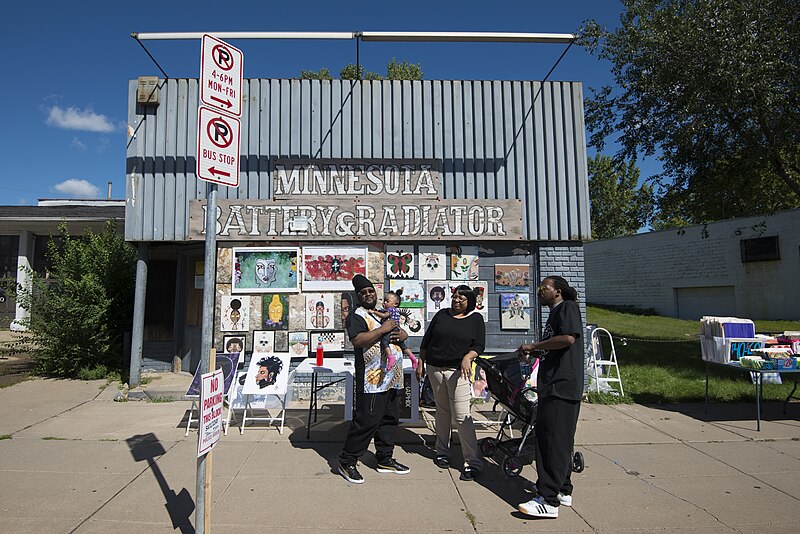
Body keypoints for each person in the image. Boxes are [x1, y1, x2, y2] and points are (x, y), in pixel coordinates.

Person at [516, 276, 584, 519]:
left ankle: (547, 500)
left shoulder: (567, 307)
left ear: (557, 291)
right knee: (561, 441)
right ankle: (563, 489)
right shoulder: (556, 312)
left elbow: (567, 339)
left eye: (543, 288)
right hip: (556, 385)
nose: (539, 291)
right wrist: (535, 352)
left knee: (550, 441)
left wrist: (534, 346)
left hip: (561, 386)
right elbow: (557, 346)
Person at [338, 274, 410, 484]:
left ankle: (384, 458)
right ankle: (347, 460)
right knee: (366, 421)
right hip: (372, 378)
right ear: (358, 296)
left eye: (370, 291)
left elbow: (397, 330)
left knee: (389, 419)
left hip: (392, 376)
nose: (368, 295)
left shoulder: (382, 314)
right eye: (363, 293)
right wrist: (383, 330)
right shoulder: (357, 315)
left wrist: (403, 334)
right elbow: (358, 340)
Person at [416, 285, 485, 481]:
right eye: (455, 297)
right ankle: (442, 452)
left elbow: (479, 345)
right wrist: (421, 363)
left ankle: (472, 462)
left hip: (459, 372)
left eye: (461, 299)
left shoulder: (475, 319)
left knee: (462, 415)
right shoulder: (441, 315)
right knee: (442, 411)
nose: (456, 301)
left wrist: (468, 356)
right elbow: (426, 342)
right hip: (435, 369)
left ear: (469, 301)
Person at [370, 290, 419, 370]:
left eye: (387, 301)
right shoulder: (396, 311)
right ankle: (412, 357)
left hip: (391, 329)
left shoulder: (391, 310)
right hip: (397, 329)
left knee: (384, 342)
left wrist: (374, 312)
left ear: (395, 304)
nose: (385, 302)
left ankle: (390, 357)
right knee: (403, 345)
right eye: (384, 301)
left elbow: (383, 315)